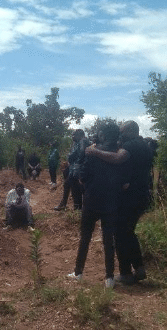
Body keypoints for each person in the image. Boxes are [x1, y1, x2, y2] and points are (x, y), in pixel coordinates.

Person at [85, 120, 153, 284]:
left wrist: (94, 151)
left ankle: (126, 273)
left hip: (130, 197)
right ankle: (139, 268)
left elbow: (117, 158)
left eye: (122, 132)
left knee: (120, 233)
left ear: (130, 131)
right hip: (142, 195)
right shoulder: (144, 145)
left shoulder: (130, 145)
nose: (119, 135)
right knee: (129, 232)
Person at [67, 121, 128, 287]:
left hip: (91, 200)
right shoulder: (120, 154)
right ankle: (109, 278)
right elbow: (124, 183)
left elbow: (82, 177)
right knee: (109, 240)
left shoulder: (91, 152)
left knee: (85, 237)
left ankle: (78, 273)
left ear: (103, 135)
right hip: (111, 202)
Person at [54, 129, 88, 211]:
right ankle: (68, 205)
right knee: (70, 185)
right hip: (74, 168)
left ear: (79, 135)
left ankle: (77, 208)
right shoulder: (77, 143)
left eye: (74, 135)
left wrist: (75, 164)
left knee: (76, 189)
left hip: (79, 169)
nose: (73, 137)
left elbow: (81, 154)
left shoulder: (83, 141)